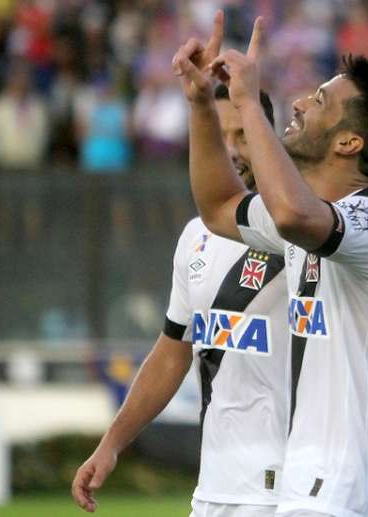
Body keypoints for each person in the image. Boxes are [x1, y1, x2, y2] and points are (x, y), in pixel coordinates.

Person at [173, 12, 368, 517]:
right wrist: (202, 103)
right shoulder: (304, 219)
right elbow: (219, 207)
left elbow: (290, 214)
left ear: (349, 143)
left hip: (358, 493)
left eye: (321, 100)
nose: (300, 101)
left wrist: (248, 102)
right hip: (306, 489)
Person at [72, 30, 290, 515]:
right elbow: (173, 353)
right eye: (220, 134)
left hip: (288, 489)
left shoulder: (299, 229)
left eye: (244, 134)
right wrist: (111, 443)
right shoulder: (196, 235)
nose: (232, 149)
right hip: (214, 488)